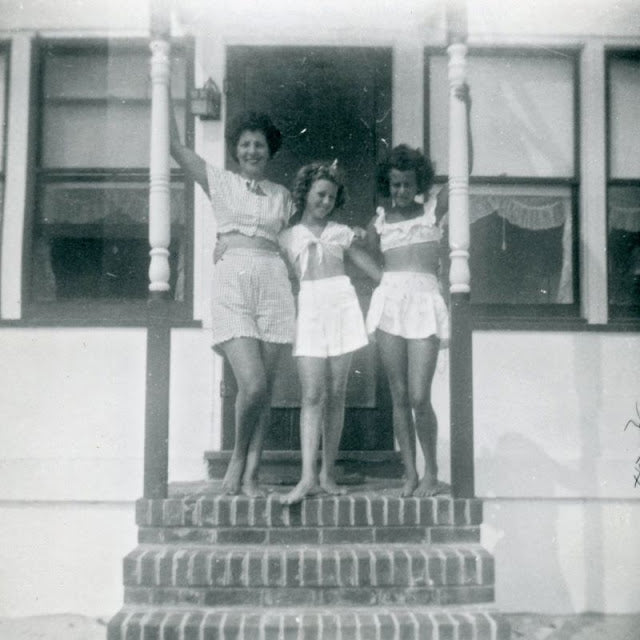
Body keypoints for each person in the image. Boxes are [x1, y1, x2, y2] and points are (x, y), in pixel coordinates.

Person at [169, 105, 296, 497]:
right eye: (245, 144)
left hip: (274, 283)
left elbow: (301, 239)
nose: (252, 150)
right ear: (236, 150)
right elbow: (175, 147)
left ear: (269, 151)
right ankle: (239, 458)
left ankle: (253, 473)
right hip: (232, 284)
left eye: (259, 144)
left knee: (266, 388)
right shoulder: (220, 182)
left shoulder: (284, 196)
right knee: (252, 385)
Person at [365, 86, 472, 497]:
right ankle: (408, 473)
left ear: (419, 182)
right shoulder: (380, 221)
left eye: (406, 184)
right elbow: (356, 251)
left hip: (425, 303)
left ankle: (432, 471)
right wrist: (382, 280)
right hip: (390, 303)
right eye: (393, 185)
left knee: (418, 393)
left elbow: (464, 174)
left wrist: (465, 113)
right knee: (396, 393)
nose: (399, 192)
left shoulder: (433, 211)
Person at [277, 161, 382, 504]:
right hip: (308, 306)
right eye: (320, 194)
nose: (325, 201)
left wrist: (398, 283)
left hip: (341, 304)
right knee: (312, 394)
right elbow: (264, 258)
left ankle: (327, 473)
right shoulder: (287, 236)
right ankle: (307, 476)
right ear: (305, 193)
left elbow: (372, 269)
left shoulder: (341, 232)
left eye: (331, 197)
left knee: (337, 391)